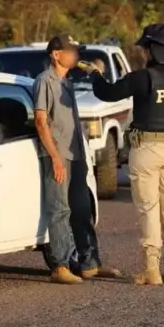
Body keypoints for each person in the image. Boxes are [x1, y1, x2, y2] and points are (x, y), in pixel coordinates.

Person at [82, 23, 164, 286]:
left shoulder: (141, 78)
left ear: (150, 49)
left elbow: (107, 93)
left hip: (146, 151)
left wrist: (95, 74)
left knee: (149, 209)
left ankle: (152, 270)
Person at [34, 33, 121, 285]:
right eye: (70, 51)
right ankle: (60, 266)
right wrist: (55, 158)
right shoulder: (45, 81)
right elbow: (41, 121)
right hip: (57, 156)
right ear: (56, 54)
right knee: (59, 210)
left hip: (76, 155)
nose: (75, 55)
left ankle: (89, 264)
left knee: (82, 210)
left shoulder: (67, 82)